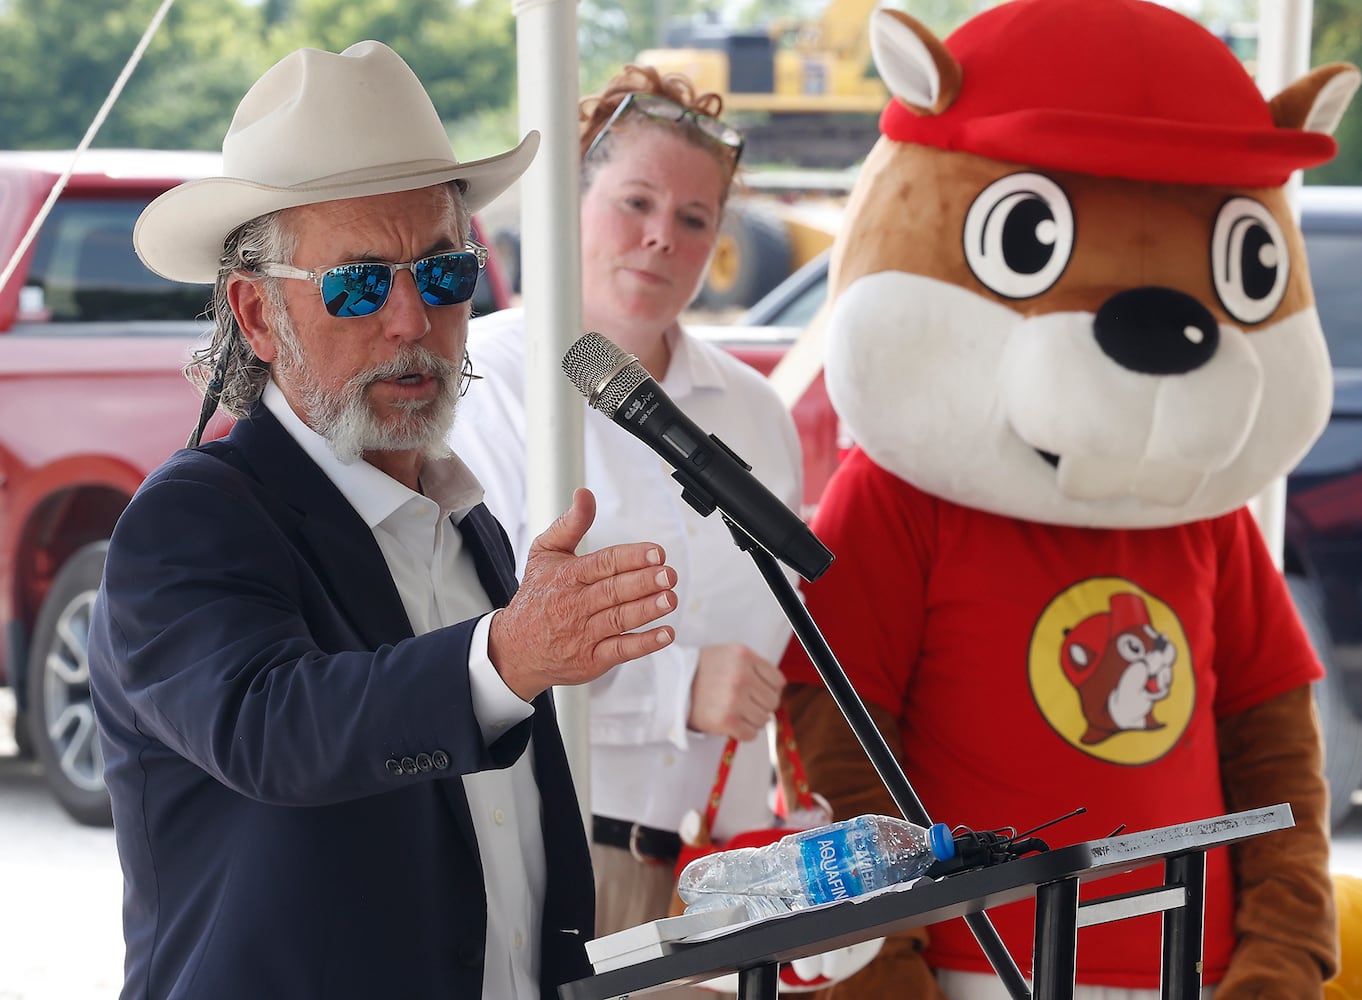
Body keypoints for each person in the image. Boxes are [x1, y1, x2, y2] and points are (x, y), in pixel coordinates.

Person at [87, 41, 681, 1000]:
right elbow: (273, 730)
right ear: (256, 314)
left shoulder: (466, 524)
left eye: (444, 276)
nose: (412, 320)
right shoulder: (192, 519)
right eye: (360, 284)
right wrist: (506, 656)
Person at [448, 65, 803, 959]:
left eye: (694, 219)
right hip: (550, 860)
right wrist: (677, 689)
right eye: (634, 202)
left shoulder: (757, 412)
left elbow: (776, 646)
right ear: (568, 202)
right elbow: (462, 650)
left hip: (725, 874)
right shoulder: (485, 386)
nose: (660, 239)